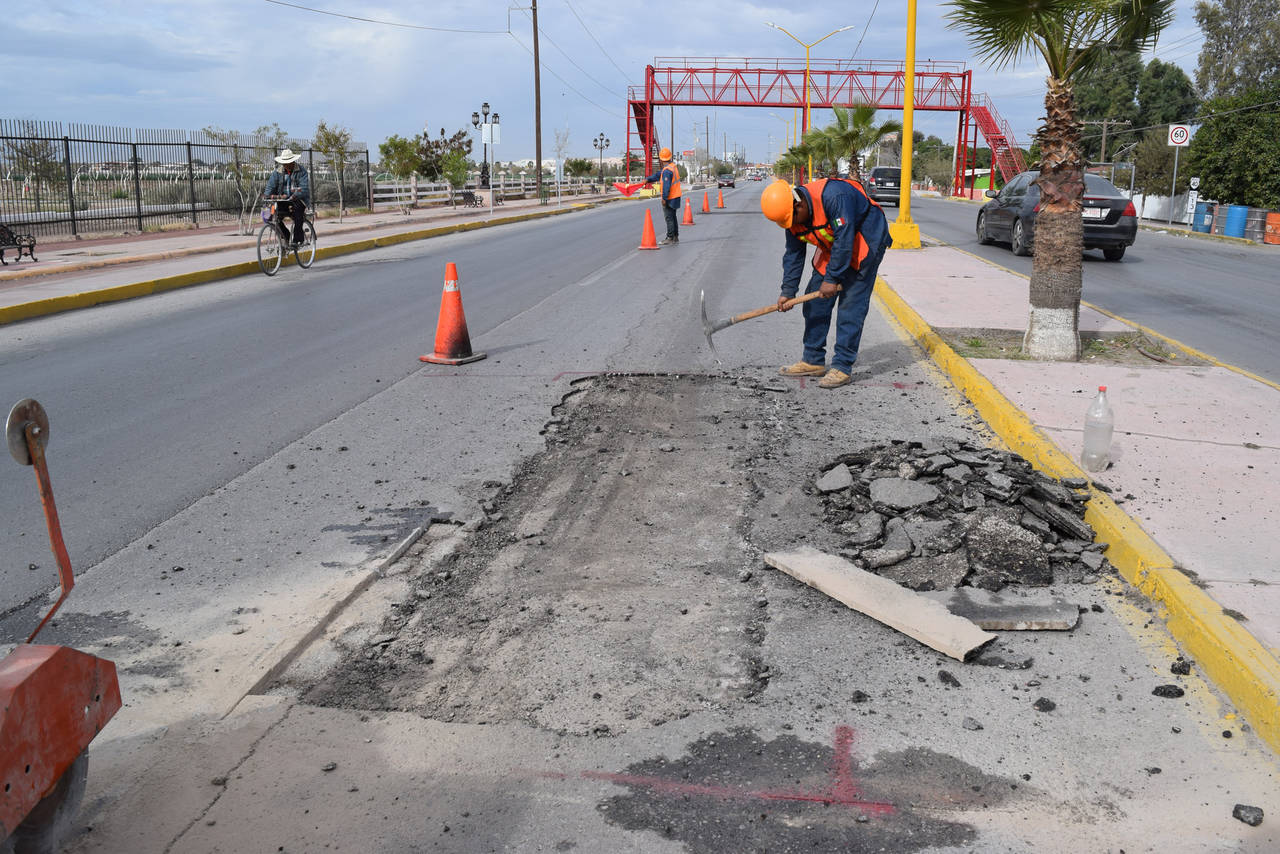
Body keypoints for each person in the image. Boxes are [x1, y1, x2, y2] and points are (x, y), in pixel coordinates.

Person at [759, 177, 892, 389]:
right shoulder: (791, 217)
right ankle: (813, 360)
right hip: (835, 246)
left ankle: (842, 366)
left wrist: (832, 279)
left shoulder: (835, 196)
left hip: (865, 240)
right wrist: (788, 291)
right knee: (814, 302)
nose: (792, 225)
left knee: (850, 306)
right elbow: (793, 254)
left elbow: (845, 239)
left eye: (792, 219)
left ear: (798, 204)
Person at [264, 148, 311, 247]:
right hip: (282, 200)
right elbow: (270, 186)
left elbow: (303, 188)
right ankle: (286, 236)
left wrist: (294, 196)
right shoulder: (277, 172)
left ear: (293, 161)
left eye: (288, 163)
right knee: (272, 216)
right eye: (284, 163)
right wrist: (267, 197)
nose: (286, 165)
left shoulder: (301, 171)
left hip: (298, 199)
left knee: (298, 214)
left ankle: (297, 240)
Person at [642, 148, 683, 244]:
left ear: (661, 159)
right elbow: (658, 175)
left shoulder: (667, 171)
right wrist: (648, 179)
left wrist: (664, 198)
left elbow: (666, 186)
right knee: (673, 217)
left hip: (670, 198)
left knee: (669, 218)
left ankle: (670, 237)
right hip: (676, 196)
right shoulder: (672, 167)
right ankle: (675, 236)